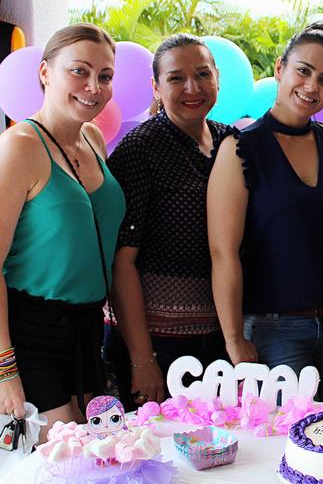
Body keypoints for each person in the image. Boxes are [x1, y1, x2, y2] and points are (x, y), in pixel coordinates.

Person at [208, 22, 323, 400]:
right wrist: (233, 342)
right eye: (303, 71)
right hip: (271, 333)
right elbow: (223, 252)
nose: (311, 87)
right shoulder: (241, 148)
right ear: (280, 68)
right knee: (280, 450)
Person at [0, 23, 125, 440]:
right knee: (66, 457)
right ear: (45, 73)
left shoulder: (92, 137)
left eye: (104, 76)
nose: (93, 86)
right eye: (79, 71)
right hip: (31, 331)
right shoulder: (20, 145)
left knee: (98, 454)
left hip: (87, 328)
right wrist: (5, 370)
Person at [106, 34, 233, 409]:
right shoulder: (139, 150)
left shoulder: (230, 141)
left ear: (217, 78)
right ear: (156, 87)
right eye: (176, 78)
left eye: (202, 74)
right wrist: (143, 361)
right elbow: (121, 262)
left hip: (220, 336)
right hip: (156, 343)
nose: (192, 88)